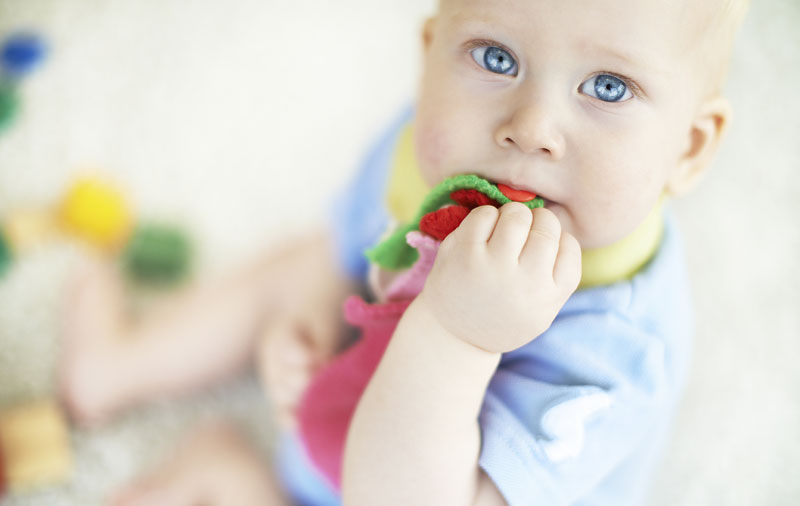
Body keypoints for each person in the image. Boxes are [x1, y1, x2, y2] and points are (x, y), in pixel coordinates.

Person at [59, 0, 750, 504]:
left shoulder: (613, 355)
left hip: (413, 482)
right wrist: (308, 325)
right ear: (430, 58)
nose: (531, 126)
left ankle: (241, 483)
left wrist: (457, 335)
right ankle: (116, 366)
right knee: (298, 261)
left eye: (608, 88)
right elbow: (346, 251)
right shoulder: (438, 152)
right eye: (497, 58)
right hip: (350, 404)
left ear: (688, 148)